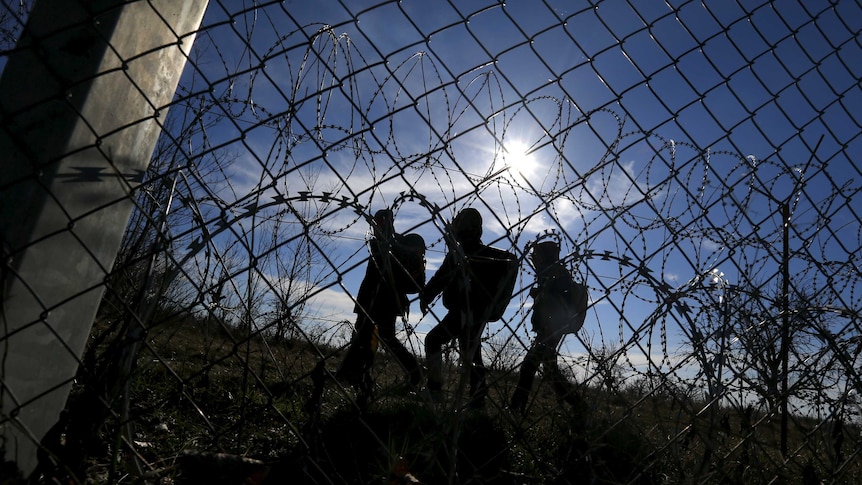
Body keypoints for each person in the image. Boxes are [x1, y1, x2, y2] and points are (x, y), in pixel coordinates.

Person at [421, 208, 516, 408]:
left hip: (465, 311)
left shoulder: (466, 253)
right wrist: (426, 296)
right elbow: (442, 276)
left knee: (436, 340)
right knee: (470, 351)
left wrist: (426, 297)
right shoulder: (468, 252)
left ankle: (436, 389)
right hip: (472, 312)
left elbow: (441, 277)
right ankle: (477, 396)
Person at [336, 209, 424, 404]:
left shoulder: (394, 246)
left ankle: (412, 371)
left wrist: (387, 240)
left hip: (384, 299)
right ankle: (350, 374)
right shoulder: (386, 243)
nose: (377, 225)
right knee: (365, 335)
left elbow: (389, 267)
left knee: (377, 337)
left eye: (381, 221)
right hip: (373, 298)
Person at [509, 237, 584, 415]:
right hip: (547, 328)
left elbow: (559, 300)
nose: (534, 259)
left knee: (529, 365)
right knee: (550, 371)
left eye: (538, 256)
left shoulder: (557, 273)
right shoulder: (551, 273)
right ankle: (577, 405)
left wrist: (542, 292)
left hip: (551, 329)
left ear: (545, 256)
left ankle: (516, 407)